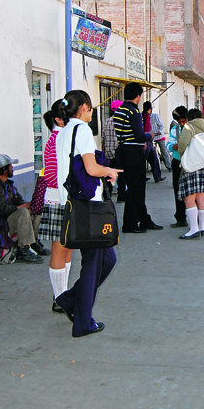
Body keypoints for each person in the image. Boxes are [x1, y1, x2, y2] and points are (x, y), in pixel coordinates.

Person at [54, 90, 120, 338]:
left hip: (73, 205)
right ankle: (82, 322)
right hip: (88, 207)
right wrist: (109, 171)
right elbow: (91, 168)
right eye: (91, 108)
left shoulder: (63, 132)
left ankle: (68, 300)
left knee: (107, 259)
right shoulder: (81, 130)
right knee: (93, 265)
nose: (92, 113)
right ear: (84, 107)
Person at [38, 99, 73, 314]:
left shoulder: (60, 136)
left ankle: (62, 293)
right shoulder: (59, 138)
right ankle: (59, 297)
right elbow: (52, 175)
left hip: (64, 198)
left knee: (67, 250)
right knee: (60, 251)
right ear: (59, 119)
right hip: (58, 199)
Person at [113, 82, 163, 233]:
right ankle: (130, 224)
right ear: (137, 96)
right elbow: (139, 136)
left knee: (134, 188)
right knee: (136, 190)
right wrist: (150, 135)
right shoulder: (133, 112)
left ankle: (144, 219)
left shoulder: (119, 110)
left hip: (123, 150)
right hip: (134, 153)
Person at [0, 155, 44, 263]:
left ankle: (34, 243)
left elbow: (19, 201)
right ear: (4, 169)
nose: (13, 168)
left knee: (35, 211)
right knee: (23, 212)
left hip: (5, 222)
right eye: (11, 166)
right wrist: (23, 207)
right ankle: (23, 249)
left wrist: (31, 206)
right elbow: (1, 211)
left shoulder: (7, 185)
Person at [177, 107, 204, 239]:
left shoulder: (189, 126)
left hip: (193, 165)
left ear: (188, 118)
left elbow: (182, 144)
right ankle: (201, 228)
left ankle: (193, 229)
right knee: (202, 198)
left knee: (189, 198)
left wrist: (184, 157)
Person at [166, 106, 188, 228]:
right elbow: (169, 143)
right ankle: (180, 218)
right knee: (178, 189)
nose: (182, 124)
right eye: (179, 122)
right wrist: (172, 146)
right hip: (177, 161)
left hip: (191, 163)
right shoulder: (175, 129)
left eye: (184, 121)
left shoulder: (192, 128)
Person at [102, 99, 127, 201]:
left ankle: (107, 195)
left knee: (108, 174)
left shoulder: (106, 122)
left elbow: (103, 139)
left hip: (108, 153)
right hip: (119, 152)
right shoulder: (122, 121)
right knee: (121, 174)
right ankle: (121, 195)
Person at [142, 101, 165, 183]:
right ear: (150, 109)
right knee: (152, 158)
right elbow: (145, 129)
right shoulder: (146, 116)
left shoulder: (143, 115)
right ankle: (156, 176)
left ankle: (156, 176)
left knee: (152, 158)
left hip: (147, 140)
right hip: (146, 141)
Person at [150, 105, 172, 172]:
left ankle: (169, 166)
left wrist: (159, 132)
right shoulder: (146, 117)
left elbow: (162, 126)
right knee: (153, 153)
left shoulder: (155, 116)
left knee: (164, 151)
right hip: (152, 138)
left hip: (159, 136)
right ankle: (155, 167)